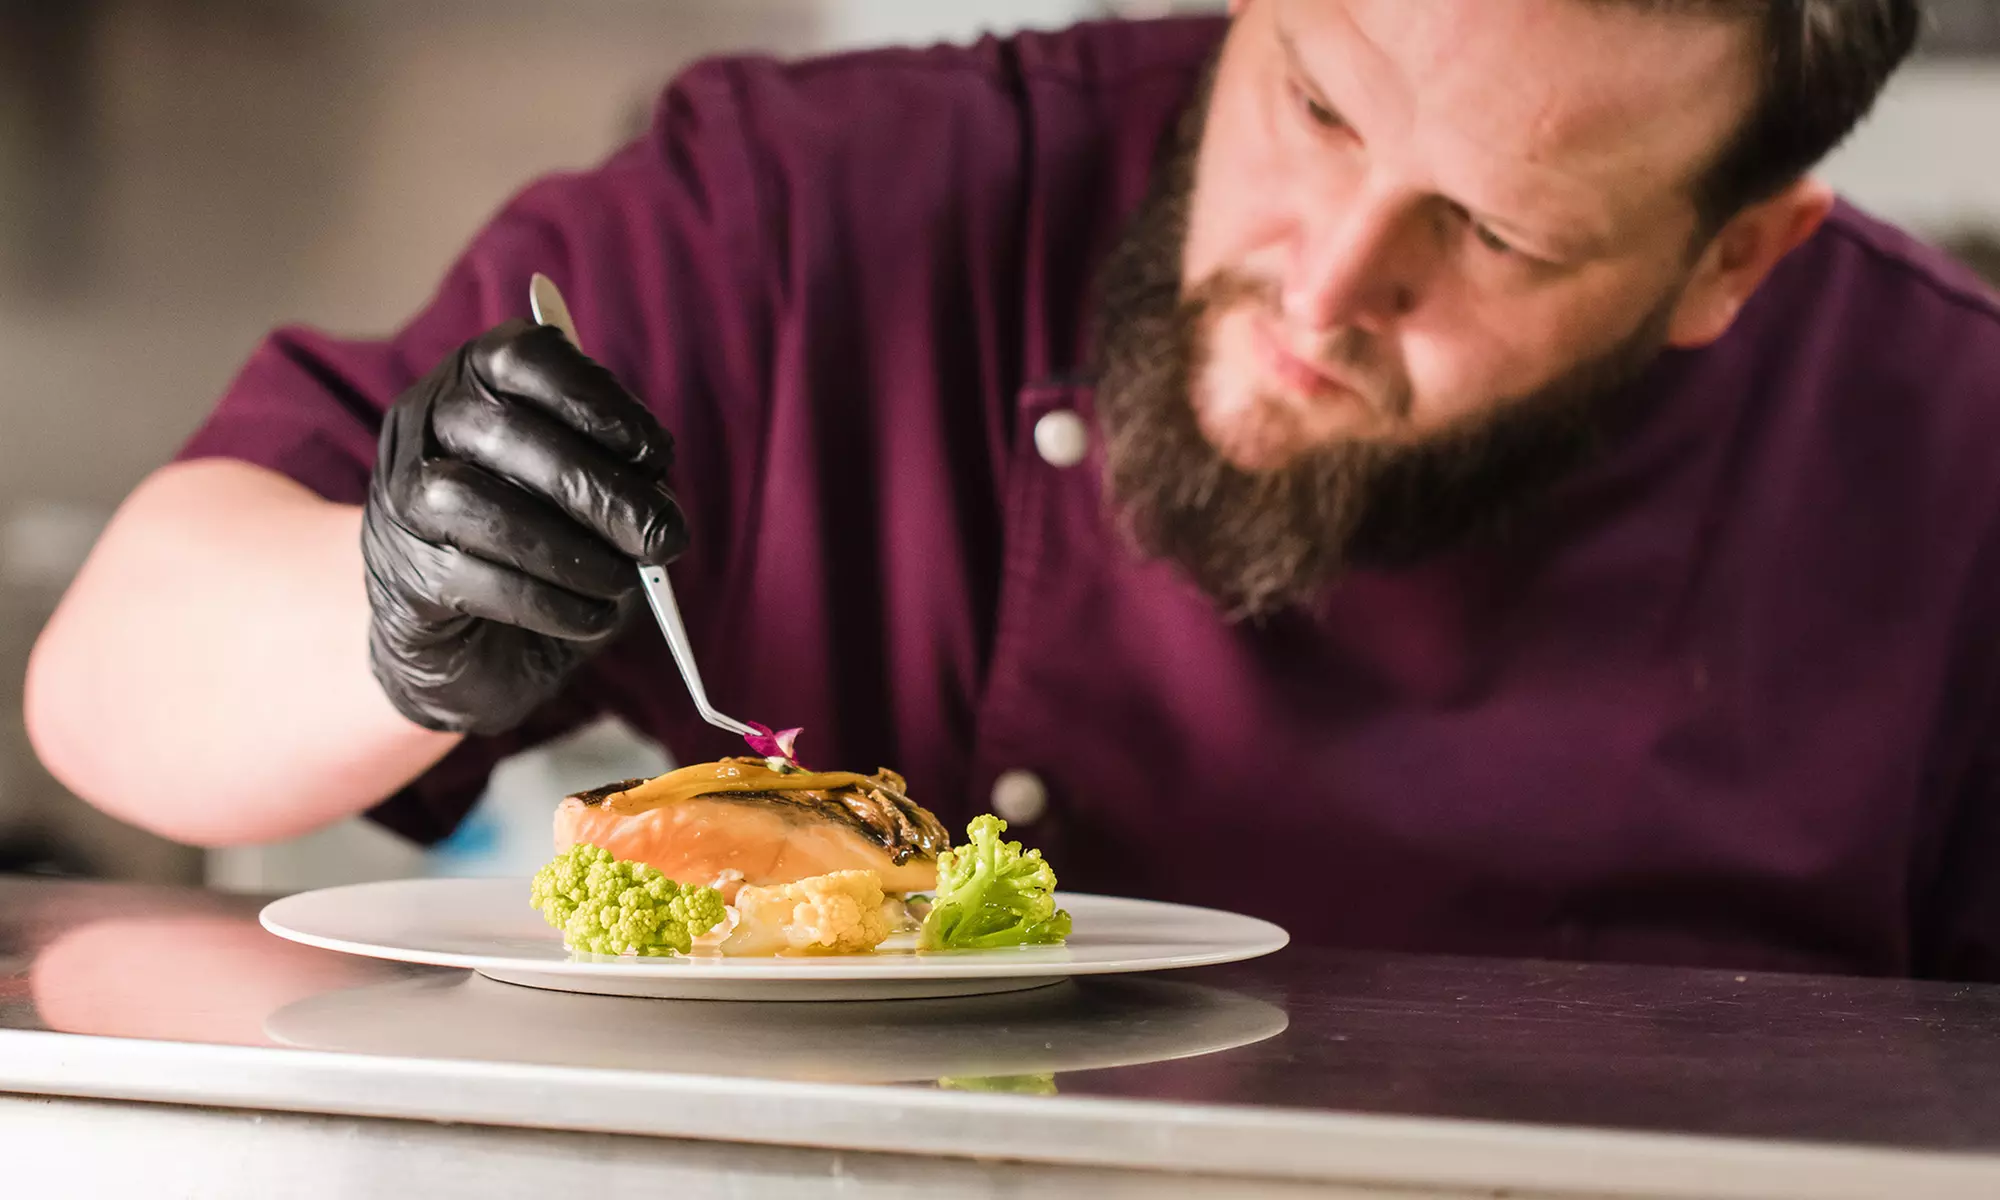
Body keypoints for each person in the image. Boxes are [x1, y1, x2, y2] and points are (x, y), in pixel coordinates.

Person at [27, 0, 2000, 980]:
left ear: (1732, 258)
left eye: (1490, 234)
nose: (1321, 281)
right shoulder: (822, 216)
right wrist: (396, 610)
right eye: (1312, 102)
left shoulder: (1949, 452)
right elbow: (111, 700)